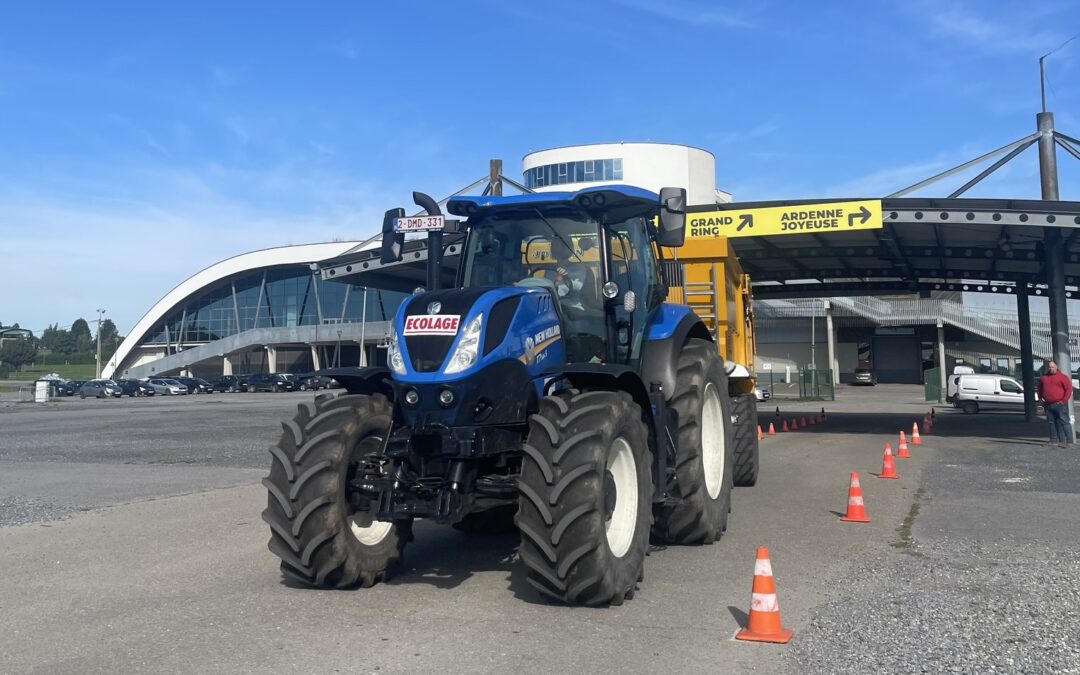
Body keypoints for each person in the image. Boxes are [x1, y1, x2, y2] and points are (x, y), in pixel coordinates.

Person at [1037, 360, 1074, 446]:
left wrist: (1064, 400)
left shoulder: (1063, 377)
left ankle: (1069, 441)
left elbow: (1069, 389)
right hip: (1048, 404)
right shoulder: (1044, 378)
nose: (1051, 369)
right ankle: (1054, 440)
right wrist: (1040, 399)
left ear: (1056, 367)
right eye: (1049, 367)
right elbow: (1039, 389)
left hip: (1060, 404)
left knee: (1065, 422)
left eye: (1052, 367)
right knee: (1051, 423)